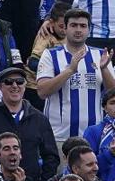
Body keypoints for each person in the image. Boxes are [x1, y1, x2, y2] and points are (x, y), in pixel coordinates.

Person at [37, 9, 115, 143]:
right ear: (65, 28)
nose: (78, 30)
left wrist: (104, 70)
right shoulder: (50, 54)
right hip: (59, 137)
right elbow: (42, 92)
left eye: (83, 26)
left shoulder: (101, 55)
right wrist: (70, 70)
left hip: (95, 137)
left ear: (89, 30)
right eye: (73, 25)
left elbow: (112, 94)